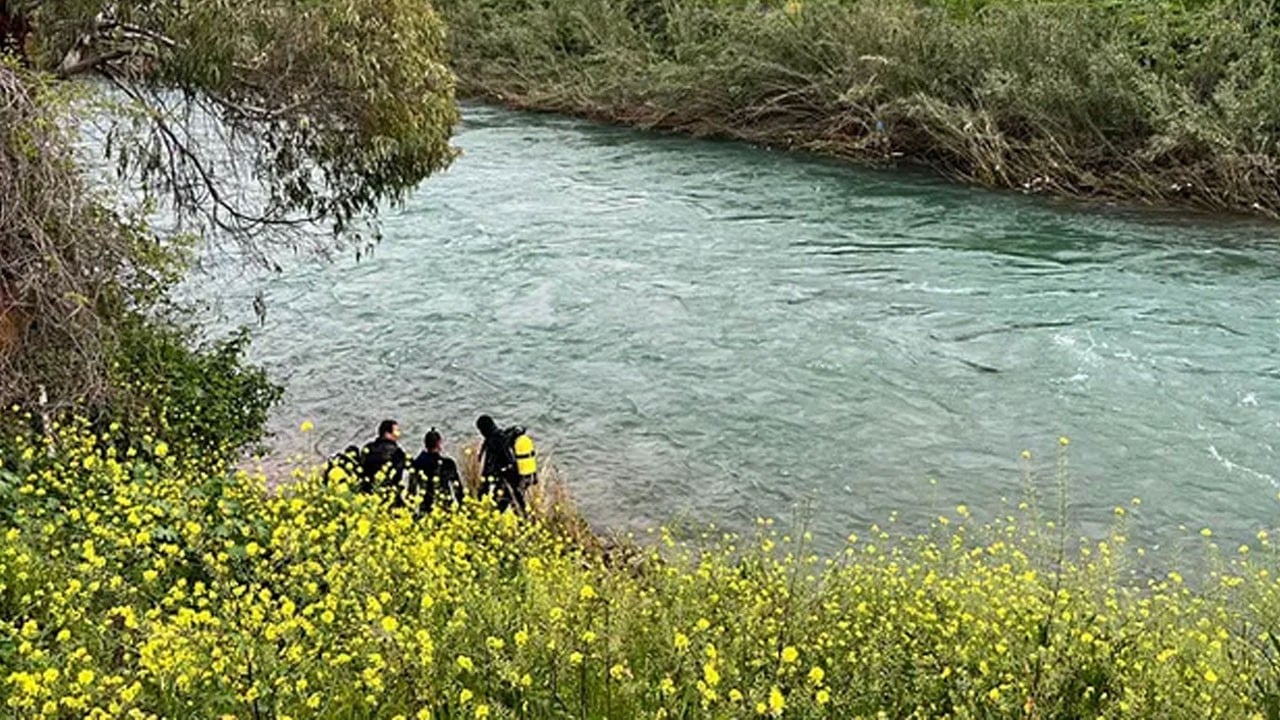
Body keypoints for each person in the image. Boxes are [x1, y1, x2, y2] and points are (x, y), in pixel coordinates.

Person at [476, 414, 526, 515]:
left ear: (483, 430)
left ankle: (492, 525)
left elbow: (488, 467)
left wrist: (483, 489)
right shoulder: (505, 435)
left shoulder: (493, 442)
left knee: (497, 508)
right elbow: (522, 429)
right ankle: (527, 523)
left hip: (505, 479)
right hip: (516, 475)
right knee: (518, 504)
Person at [407, 427, 463, 516]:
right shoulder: (448, 464)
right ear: (439, 443)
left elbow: (411, 489)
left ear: (425, 444)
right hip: (445, 506)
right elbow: (458, 489)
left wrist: (410, 512)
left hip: (425, 507)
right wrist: (463, 508)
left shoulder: (417, 464)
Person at [359, 419, 406, 498]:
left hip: (368, 492)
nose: (398, 434)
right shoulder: (397, 452)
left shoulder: (368, 448)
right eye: (396, 431)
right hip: (388, 494)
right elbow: (398, 476)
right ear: (387, 434)